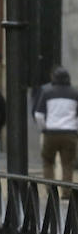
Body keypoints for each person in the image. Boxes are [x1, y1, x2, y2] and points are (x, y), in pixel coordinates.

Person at [34, 66, 78, 197]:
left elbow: (38, 115)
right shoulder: (75, 93)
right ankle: (66, 192)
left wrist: (44, 128)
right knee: (67, 164)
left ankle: (50, 191)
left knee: (48, 162)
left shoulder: (47, 92)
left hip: (51, 133)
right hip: (69, 133)